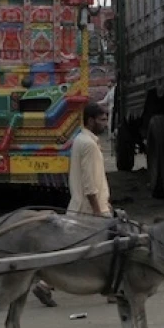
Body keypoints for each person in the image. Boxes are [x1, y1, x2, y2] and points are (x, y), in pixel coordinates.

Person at [33, 102, 112, 307]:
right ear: (90, 120)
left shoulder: (82, 140)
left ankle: (45, 284)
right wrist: (98, 212)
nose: (106, 124)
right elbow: (89, 184)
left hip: (86, 206)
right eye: (102, 120)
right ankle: (112, 289)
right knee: (105, 249)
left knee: (75, 251)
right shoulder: (88, 144)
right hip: (89, 209)